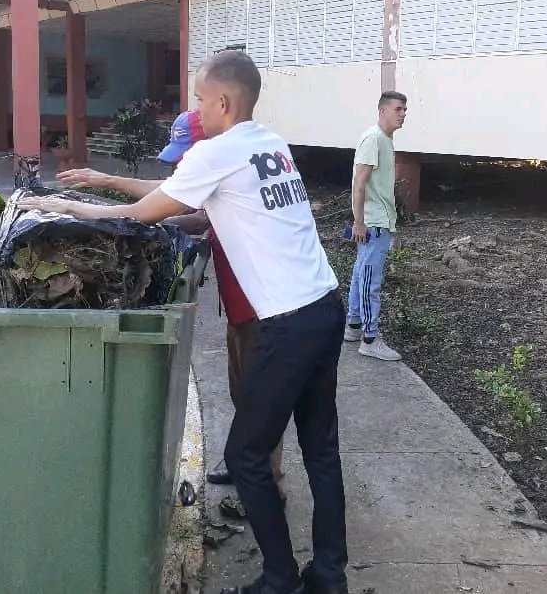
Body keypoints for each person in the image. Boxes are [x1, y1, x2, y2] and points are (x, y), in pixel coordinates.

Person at [20, 50, 348, 594]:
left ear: (222, 102)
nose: (198, 108)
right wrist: (106, 186)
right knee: (321, 450)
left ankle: (281, 578)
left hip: (287, 324)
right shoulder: (270, 143)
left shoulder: (218, 150)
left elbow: (141, 214)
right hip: (325, 308)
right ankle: (329, 575)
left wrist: (68, 209)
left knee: (246, 455)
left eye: (199, 98)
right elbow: (202, 210)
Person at [58, 109, 286, 491]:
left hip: (261, 307)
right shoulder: (223, 171)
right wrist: (109, 180)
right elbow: (180, 202)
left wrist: (71, 208)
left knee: (263, 400)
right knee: (245, 395)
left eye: (185, 153)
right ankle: (245, 462)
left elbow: (159, 208)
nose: (181, 163)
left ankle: (266, 482)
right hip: (242, 306)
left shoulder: (223, 165)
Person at [344, 91, 407, 361]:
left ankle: (354, 326)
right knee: (370, 280)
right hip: (373, 224)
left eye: (405, 110)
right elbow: (359, 183)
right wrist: (359, 221)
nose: (403, 114)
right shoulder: (374, 139)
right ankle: (370, 339)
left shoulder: (384, 140)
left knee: (361, 274)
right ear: (382, 111)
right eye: (398, 109)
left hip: (378, 222)